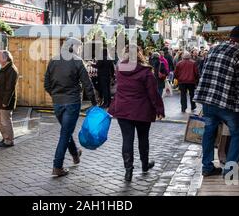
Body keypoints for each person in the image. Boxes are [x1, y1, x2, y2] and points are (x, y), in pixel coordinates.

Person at [194, 25, 239, 180]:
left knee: (209, 132)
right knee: (238, 132)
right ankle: (230, 172)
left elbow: (204, 72)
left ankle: (207, 167)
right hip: (226, 103)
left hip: (207, 100)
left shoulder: (213, 49)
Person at [108, 45, 165, 182]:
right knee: (143, 139)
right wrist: (159, 109)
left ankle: (128, 171)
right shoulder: (146, 71)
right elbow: (153, 93)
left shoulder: (120, 69)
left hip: (123, 109)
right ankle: (145, 165)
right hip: (142, 110)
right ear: (139, 54)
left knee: (127, 140)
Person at [44, 37, 97, 177]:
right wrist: (94, 101)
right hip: (72, 102)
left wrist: (55, 95)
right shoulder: (77, 61)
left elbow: (46, 84)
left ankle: (75, 154)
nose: (79, 51)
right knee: (65, 134)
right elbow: (87, 83)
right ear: (73, 47)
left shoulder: (53, 60)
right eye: (79, 48)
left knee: (66, 131)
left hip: (58, 103)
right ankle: (57, 166)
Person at [0, 50, 19, 148]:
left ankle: (9, 140)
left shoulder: (12, 70)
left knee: (5, 120)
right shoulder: (4, 68)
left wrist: (5, 102)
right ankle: (5, 137)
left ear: (5, 58)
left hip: (5, 101)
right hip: (0, 100)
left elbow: (10, 88)